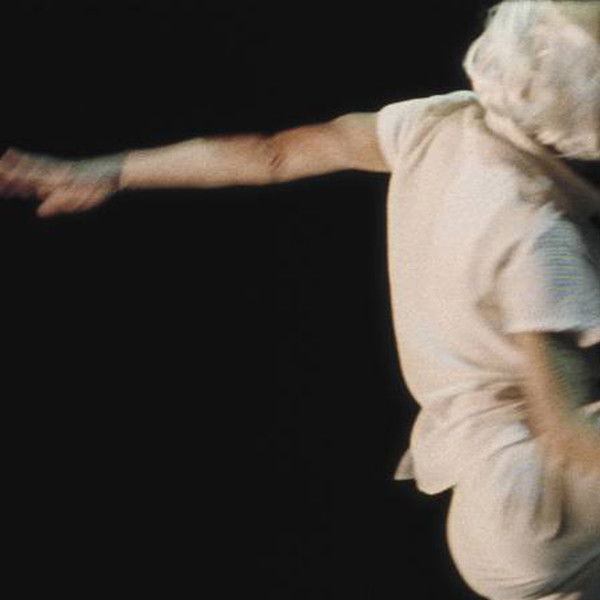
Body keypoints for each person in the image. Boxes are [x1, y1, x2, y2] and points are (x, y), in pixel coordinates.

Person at [1, 1, 599, 598]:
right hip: (530, 510)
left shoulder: (436, 123)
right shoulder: (532, 232)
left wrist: (109, 171)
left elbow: (271, 155)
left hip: (497, 521)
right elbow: (565, 433)